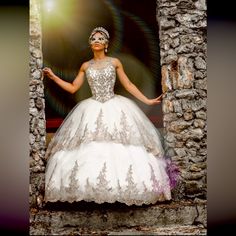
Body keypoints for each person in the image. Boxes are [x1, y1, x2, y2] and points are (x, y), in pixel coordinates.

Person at [43, 27, 176, 206]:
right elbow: (74, 87)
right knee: (88, 147)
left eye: (100, 38)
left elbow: (128, 84)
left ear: (106, 44)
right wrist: (53, 77)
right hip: (92, 107)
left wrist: (147, 100)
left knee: (124, 146)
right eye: (93, 38)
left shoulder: (115, 62)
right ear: (91, 43)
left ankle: (124, 192)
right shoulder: (85, 66)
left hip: (114, 106)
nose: (96, 40)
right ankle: (90, 192)